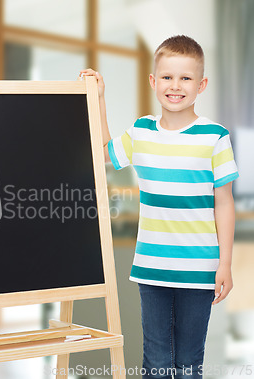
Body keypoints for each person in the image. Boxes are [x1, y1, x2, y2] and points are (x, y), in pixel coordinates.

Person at [80, 35, 238, 379]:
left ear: (201, 85)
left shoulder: (215, 136)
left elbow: (224, 204)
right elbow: (104, 151)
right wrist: (100, 98)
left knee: (188, 362)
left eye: (185, 78)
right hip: (151, 268)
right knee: (155, 360)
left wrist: (225, 263)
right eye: (167, 77)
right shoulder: (141, 131)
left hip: (200, 270)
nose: (175, 86)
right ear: (153, 81)